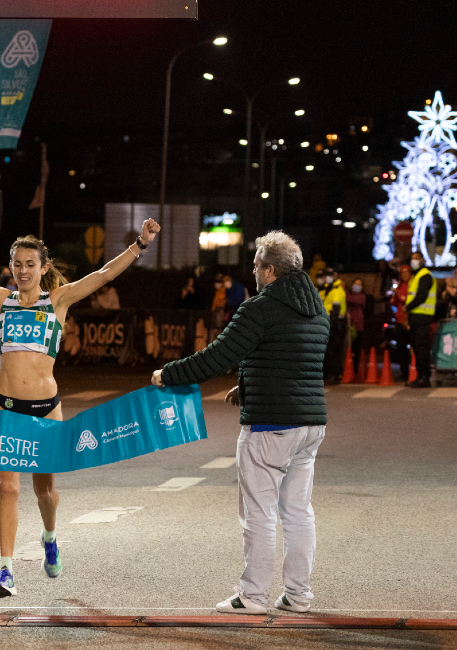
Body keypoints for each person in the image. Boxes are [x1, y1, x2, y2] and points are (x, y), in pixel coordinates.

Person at [0, 218, 161, 599]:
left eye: (30, 264)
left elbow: (103, 275)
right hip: (4, 406)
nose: (22, 271)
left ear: (43, 268)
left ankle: (50, 537)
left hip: (46, 408)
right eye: (17, 264)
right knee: (7, 487)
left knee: (46, 491)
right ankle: (6, 572)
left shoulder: (59, 300)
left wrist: (141, 243)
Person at [151, 230, 328, 616]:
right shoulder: (317, 309)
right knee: (298, 511)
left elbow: (217, 355)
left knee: (258, 511)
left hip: (270, 426)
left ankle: (252, 596)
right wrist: (246, 384)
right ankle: (299, 595)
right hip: (310, 424)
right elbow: (290, 360)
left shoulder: (260, 308)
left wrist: (169, 374)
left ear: (269, 269)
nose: (253, 272)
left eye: (255, 266)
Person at [404, 252, 435, 388]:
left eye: (416, 258)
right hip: (416, 317)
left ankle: (424, 377)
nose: (414, 261)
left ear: (422, 260)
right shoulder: (417, 276)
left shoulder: (425, 276)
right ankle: (420, 376)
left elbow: (421, 296)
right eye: (412, 258)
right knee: (416, 347)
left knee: (421, 348)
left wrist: (407, 307)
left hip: (422, 317)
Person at [320, 270, 347, 385]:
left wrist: (330, 326)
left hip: (335, 325)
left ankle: (334, 375)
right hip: (331, 323)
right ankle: (330, 374)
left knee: (334, 351)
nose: (327, 278)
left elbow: (335, 311)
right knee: (330, 351)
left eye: (330, 276)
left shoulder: (336, 291)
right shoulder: (330, 291)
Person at [346, 278, 367, 368]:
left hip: (358, 326)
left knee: (356, 347)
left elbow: (351, 299)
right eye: (355, 284)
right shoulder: (349, 296)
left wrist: (344, 290)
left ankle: (355, 368)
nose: (356, 286)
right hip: (349, 325)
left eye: (359, 284)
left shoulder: (362, 297)